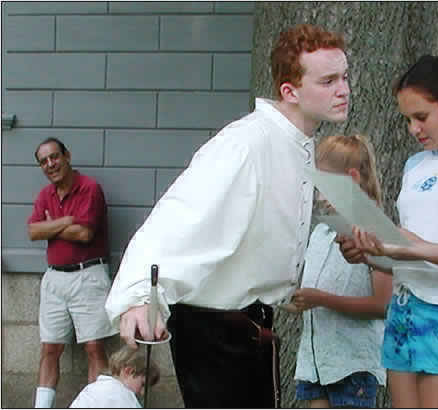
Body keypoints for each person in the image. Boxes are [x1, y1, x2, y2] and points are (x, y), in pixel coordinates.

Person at [104, 23, 350, 408]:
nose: (344, 90)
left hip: (246, 328)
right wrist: (139, 296)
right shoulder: (244, 145)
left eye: (345, 77)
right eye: (329, 80)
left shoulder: (294, 144)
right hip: (214, 333)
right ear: (290, 91)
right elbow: (179, 215)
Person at [339, 53, 438, 407]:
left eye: (421, 117)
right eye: (407, 119)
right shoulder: (414, 165)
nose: (413, 129)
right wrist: (370, 253)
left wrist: (409, 245)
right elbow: (405, 251)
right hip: (405, 307)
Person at [290, 135, 392, 408]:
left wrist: (321, 300)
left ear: (352, 178)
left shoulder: (374, 230)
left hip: (353, 364)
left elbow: (383, 305)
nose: (319, 196)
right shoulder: (322, 231)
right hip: (316, 362)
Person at [27, 137, 117, 408]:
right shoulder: (45, 195)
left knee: (93, 348)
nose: (50, 164)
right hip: (54, 278)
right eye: (44, 161)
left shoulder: (90, 189)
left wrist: (51, 225)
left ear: (67, 155)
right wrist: (66, 221)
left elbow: (84, 233)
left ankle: (96, 405)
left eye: (54, 157)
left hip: (87, 275)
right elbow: (33, 231)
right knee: (50, 348)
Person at [70, 345, 161, 408]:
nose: (142, 392)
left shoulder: (93, 387)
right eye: (142, 384)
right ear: (128, 371)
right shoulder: (121, 394)